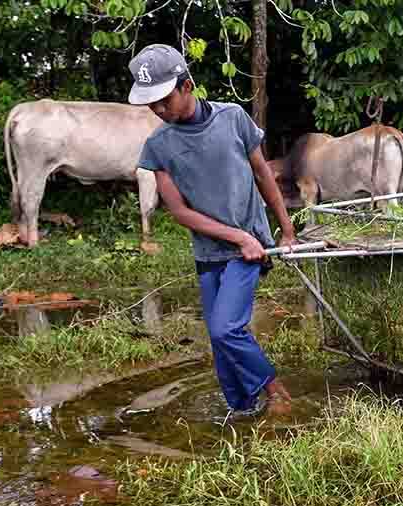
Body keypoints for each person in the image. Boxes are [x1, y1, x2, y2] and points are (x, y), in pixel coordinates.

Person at [127, 43, 296, 419]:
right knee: (221, 347)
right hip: (209, 251)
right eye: (151, 104)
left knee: (225, 330)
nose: (158, 110)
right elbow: (180, 212)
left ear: (187, 86)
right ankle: (241, 413)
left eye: (164, 100)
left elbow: (262, 173)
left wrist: (285, 231)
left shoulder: (232, 118)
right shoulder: (159, 146)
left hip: (249, 246)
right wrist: (236, 237)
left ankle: (277, 392)